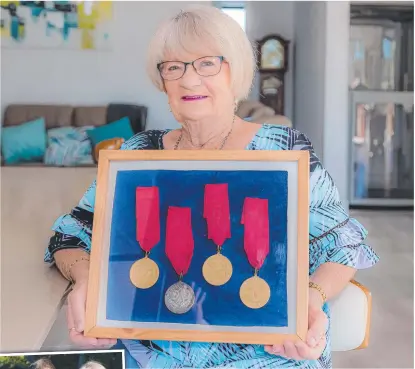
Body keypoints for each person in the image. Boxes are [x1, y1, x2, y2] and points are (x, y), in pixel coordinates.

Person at [44, 5, 379, 369]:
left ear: (235, 70)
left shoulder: (283, 151)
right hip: (148, 351)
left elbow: (343, 246)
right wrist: (86, 280)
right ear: (162, 81)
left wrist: (312, 299)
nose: (189, 80)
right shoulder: (139, 153)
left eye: (207, 63)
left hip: (265, 354)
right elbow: (71, 235)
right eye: (173, 67)